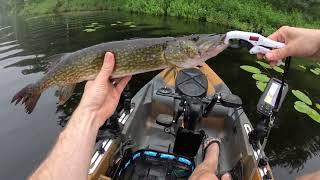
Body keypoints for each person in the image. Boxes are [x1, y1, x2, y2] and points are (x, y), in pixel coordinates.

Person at [30, 26, 320, 180]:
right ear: (172, 48)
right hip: (74, 70)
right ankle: (211, 152)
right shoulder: (167, 52)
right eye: (192, 39)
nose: (198, 42)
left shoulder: (168, 54)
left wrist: (88, 113)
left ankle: (210, 155)